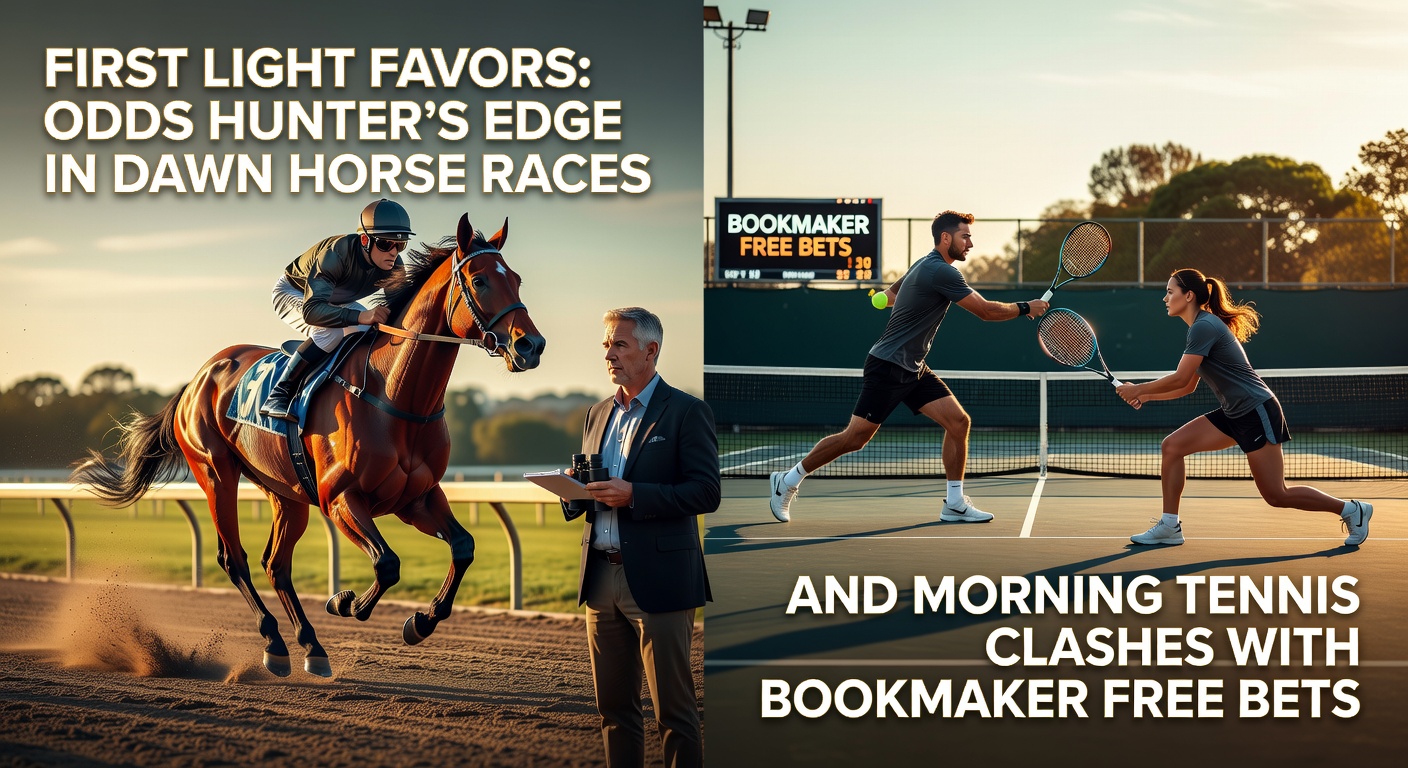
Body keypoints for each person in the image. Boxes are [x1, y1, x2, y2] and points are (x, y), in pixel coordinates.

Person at [768, 211, 1049, 523]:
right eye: (964, 236)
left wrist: (894, 300)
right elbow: (984, 311)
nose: (970, 242)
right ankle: (788, 480)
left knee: (958, 422)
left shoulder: (923, 264)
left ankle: (954, 502)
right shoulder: (942, 272)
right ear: (946, 238)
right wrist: (1025, 307)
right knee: (855, 439)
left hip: (913, 367)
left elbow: (887, 298)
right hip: (888, 366)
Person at [1115, 268, 1372, 547]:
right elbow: (1187, 385)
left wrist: (1137, 389)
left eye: (1169, 291)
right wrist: (1148, 397)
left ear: (1188, 295)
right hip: (1233, 413)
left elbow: (1179, 377)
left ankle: (1352, 510)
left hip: (1256, 410)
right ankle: (1169, 526)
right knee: (1172, 446)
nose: (1165, 298)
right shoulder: (1199, 328)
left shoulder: (1204, 326)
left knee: (1277, 495)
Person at [564, 307, 718, 768]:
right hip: (600, 581)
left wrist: (635, 495)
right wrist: (572, 490)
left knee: (674, 712)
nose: (609, 355)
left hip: (660, 581)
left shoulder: (688, 411)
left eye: (620, 345)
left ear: (651, 351)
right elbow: (590, 493)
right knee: (614, 712)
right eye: (606, 345)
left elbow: (706, 492)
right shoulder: (596, 414)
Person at [261, 199, 413, 421]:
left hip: (336, 301)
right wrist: (362, 315)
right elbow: (313, 311)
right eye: (384, 244)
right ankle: (279, 393)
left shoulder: (394, 266)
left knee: (367, 333)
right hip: (296, 294)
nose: (393, 252)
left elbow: (401, 314)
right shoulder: (336, 254)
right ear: (364, 240)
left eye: (400, 245)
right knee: (329, 331)